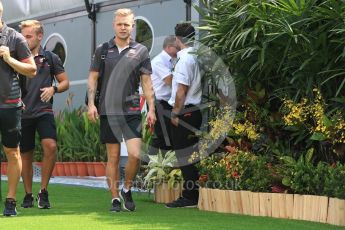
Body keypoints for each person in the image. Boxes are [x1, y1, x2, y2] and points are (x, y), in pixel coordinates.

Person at [87, 8, 156, 212]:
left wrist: (151, 109)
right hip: (108, 110)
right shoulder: (102, 50)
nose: (123, 27)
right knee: (113, 157)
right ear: (114, 25)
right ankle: (115, 198)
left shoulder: (141, 51)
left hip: (132, 109)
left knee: (135, 155)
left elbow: (147, 82)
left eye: (127, 24)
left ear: (132, 26)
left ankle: (127, 189)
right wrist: (91, 104)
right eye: (120, 24)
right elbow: (93, 78)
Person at [19, 20, 69, 209]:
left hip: (43, 111)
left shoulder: (50, 58)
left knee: (50, 146)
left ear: (40, 36)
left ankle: (44, 191)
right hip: (22, 113)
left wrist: (53, 89)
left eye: (29, 36)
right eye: (22, 36)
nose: (24, 40)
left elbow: (65, 82)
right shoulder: (16, 58)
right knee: (26, 155)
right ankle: (28, 194)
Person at [0, 1, 37, 216]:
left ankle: (11, 201)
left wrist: (9, 58)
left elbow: (31, 70)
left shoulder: (14, 37)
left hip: (9, 105)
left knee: (12, 152)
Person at [166, 23, 202, 208]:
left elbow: (181, 90)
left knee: (184, 155)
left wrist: (175, 113)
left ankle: (190, 197)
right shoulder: (193, 57)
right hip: (193, 111)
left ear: (177, 39)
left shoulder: (185, 59)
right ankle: (191, 194)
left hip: (185, 111)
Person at [148, 35, 178, 155]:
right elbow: (169, 81)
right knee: (161, 135)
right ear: (169, 47)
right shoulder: (159, 61)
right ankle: (147, 165)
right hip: (160, 103)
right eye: (177, 47)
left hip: (166, 103)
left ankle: (160, 165)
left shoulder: (170, 61)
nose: (179, 49)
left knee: (166, 136)